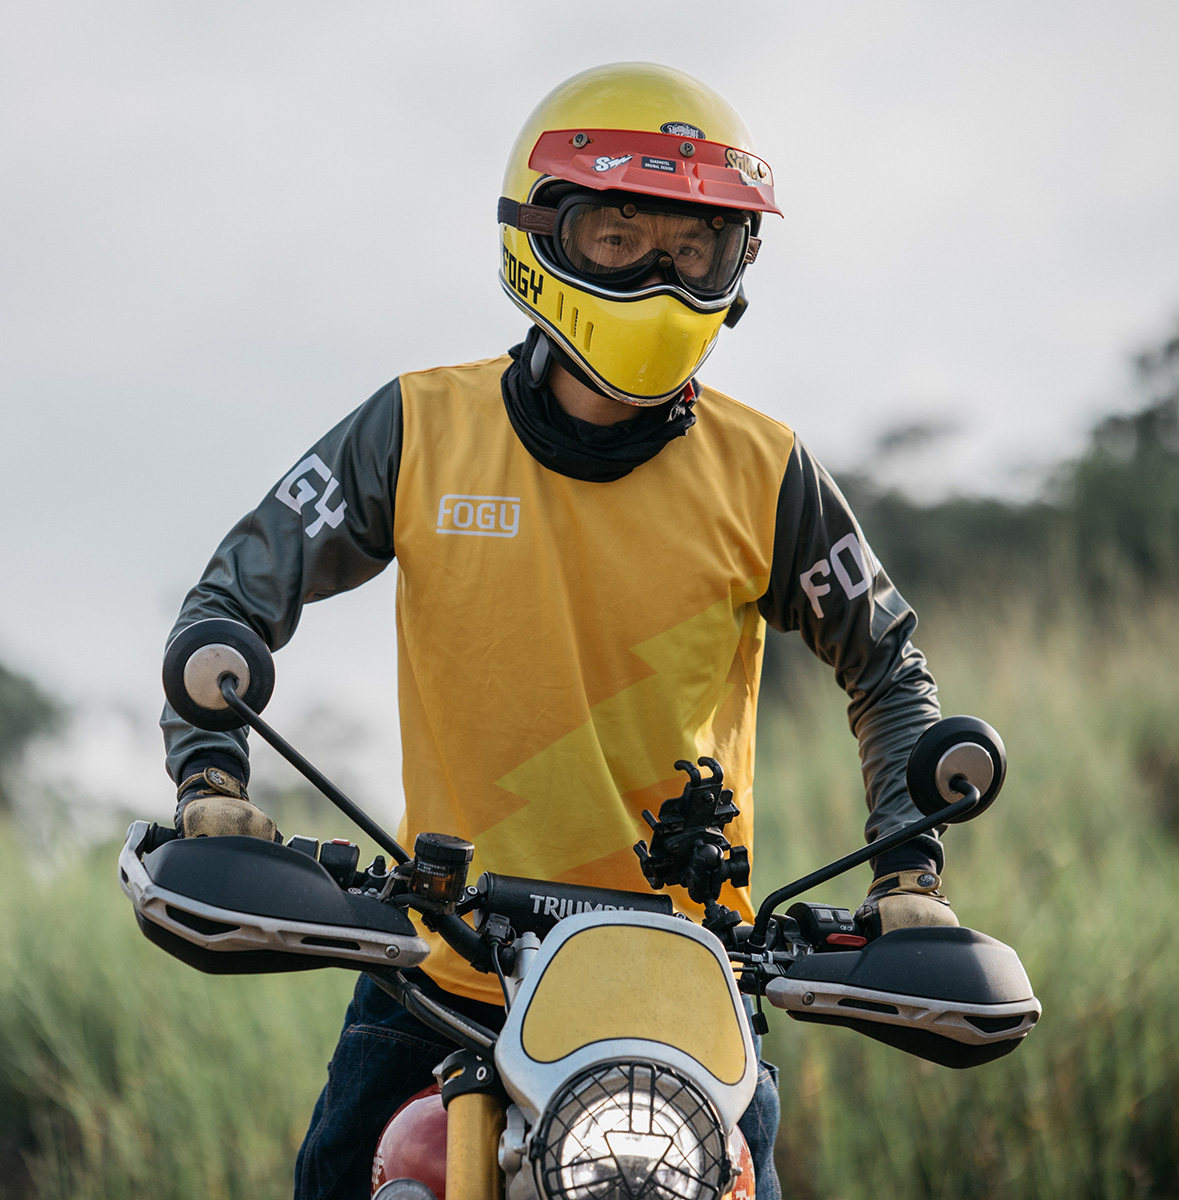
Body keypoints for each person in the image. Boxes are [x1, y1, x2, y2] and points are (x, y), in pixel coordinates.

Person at [162, 62, 955, 1200]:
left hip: (684, 990)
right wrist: (211, 782)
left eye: (695, 248)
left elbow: (886, 666)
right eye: (621, 235)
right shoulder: (418, 428)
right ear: (541, 233)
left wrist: (909, 871)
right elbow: (232, 603)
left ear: (738, 265)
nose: (661, 274)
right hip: (446, 978)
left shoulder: (768, 471)